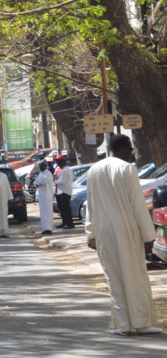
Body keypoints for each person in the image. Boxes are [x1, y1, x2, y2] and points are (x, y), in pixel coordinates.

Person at [85, 134, 161, 336]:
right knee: (134, 277)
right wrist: (148, 236)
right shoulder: (127, 169)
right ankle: (141, 323)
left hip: (104, 232)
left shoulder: (93, 170)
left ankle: (123, 325)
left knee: (115, 279)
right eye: (130, 149)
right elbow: (137, 206)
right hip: (126, 230)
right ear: (122, 149)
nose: (131, 154)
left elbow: (90, 206)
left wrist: (91, 233)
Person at [34, 161, 55, 235]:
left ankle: (48, 228)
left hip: (47, 195)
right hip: (41, 195)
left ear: (45, 166)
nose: (40, 167)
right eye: (40, 165)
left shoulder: (48, 173)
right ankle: (45, 228)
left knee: (47, 212)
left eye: (42, 165)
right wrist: (37, 183)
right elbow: (35, 182)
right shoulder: (40, 174)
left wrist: (38, 183)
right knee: (43, 212)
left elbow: (41, 182)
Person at [54, 156, 75, 229]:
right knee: (62, 208)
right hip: (60, 191)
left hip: (65, 191)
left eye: (58, 162)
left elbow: (62, 181)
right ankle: (64, 222)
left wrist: (55, 182)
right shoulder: (62, 170)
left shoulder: (66, 170)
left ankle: (69, 224)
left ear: (62, 163)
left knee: (66, 209)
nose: (57, 164)